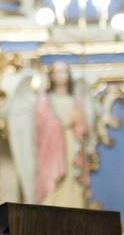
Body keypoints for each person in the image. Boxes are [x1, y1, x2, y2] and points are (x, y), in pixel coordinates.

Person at [34, 60, 92, 207]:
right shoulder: (45, 101)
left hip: (73, 146)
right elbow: (40, 126)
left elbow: (84, 127)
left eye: (64, 71)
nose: (60, 76)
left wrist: (81, 126)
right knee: (54, 183)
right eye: (57, 72)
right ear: (51, 76)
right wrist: (61, 123)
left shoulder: (75, 100)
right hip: (53, 150)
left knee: (73, 180)